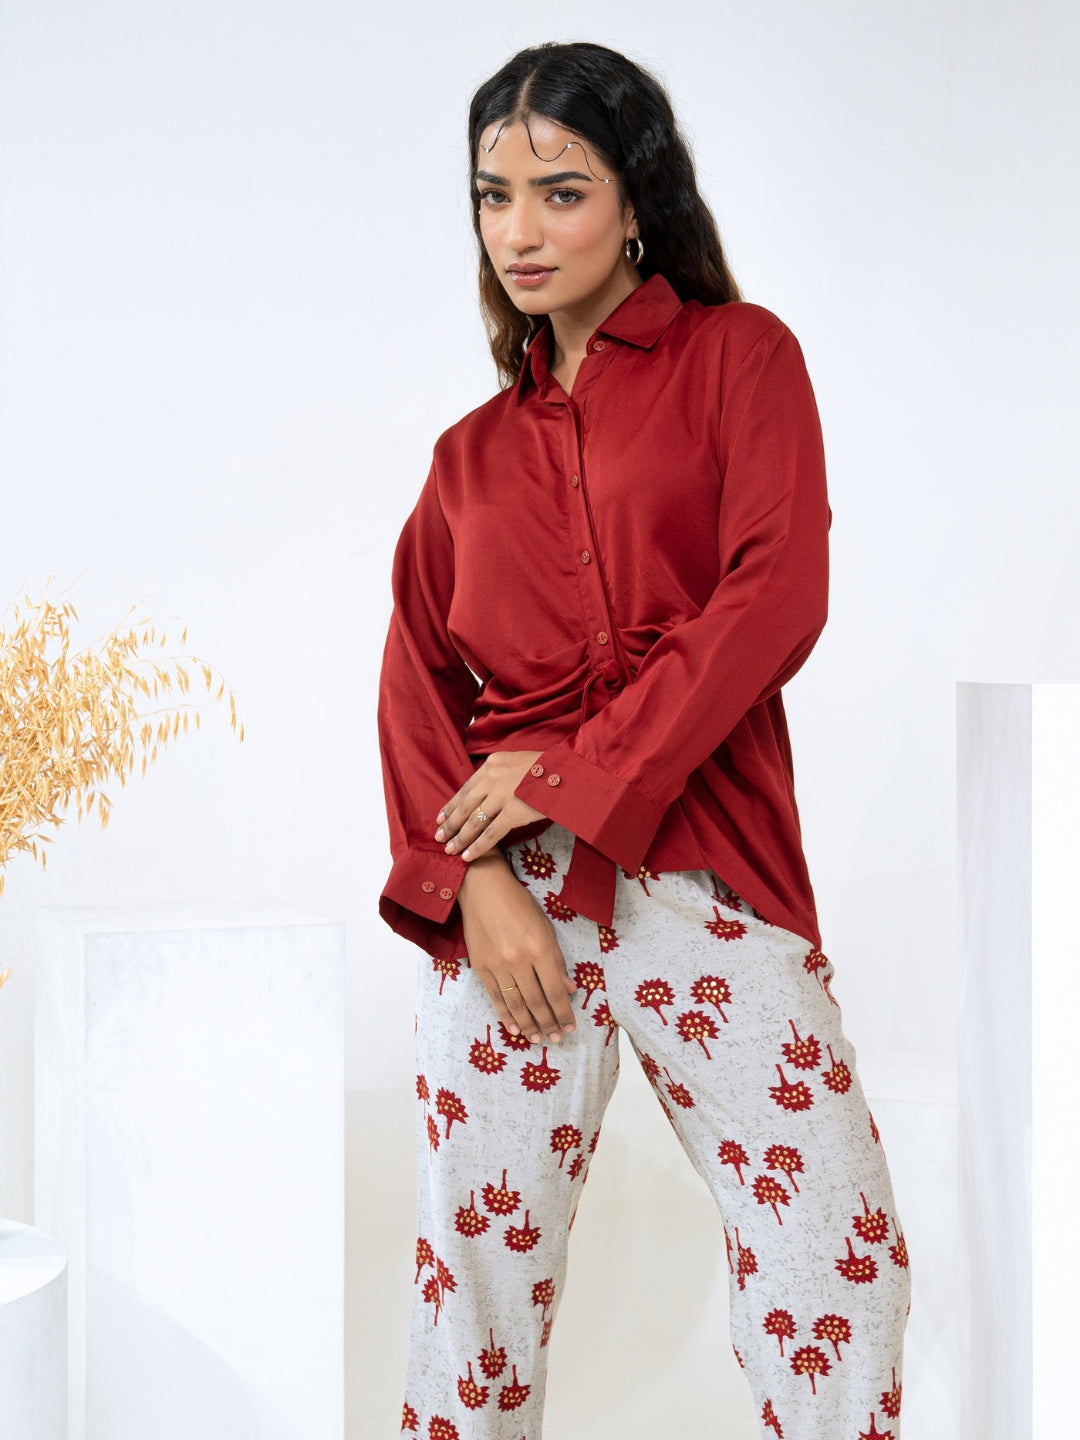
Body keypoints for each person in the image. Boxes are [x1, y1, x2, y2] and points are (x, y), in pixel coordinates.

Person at [377, 40, 911, 1440]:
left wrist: (573, 769)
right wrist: (471, 886)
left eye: (561, 192)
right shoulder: (465, 460)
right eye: (493, 196)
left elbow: (775, 593)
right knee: (475, 1293)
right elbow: (415, 680)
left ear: (635, 202)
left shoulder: (741, 359)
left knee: (835, 1260)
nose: (520, 230)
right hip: (515, 909)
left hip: (703, 872)